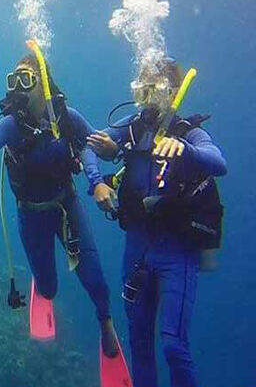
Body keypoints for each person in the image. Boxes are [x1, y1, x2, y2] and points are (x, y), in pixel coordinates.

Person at [84, 59, 226, 387]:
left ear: (172, 93)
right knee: (139, 341)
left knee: (174, 346)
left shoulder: (189, 132)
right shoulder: (132, 127)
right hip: (137, 248)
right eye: (142, 90)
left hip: (177, 250)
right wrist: (97, 182)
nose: (147, 99)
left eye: (155, 90)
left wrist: (186, 149)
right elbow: (90, 147)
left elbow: (219, 163)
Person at [0, 53, 122, 358]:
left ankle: (106, 322)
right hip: (31, 214)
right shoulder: (10, 124)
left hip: (67, 207)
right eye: (13, 80)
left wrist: (97, 180)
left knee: (94, 278)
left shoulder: (67, 117)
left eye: (26, 79)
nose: (18, 87)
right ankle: (41, 286)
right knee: (48, 287)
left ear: (44, 84)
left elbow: (91, 144)